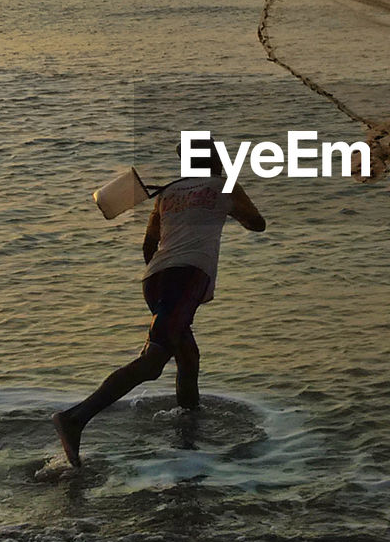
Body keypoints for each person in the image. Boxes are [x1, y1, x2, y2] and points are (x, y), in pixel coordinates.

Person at [51, 143, 266, 466]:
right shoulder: (224, 186)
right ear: (215, 161)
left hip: (155, 279)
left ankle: (188, 428)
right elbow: (257, 223)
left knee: (188, 358)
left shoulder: (168, 193)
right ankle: (75, 418)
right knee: (152, 364)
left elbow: (149, 244)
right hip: (188, 278)